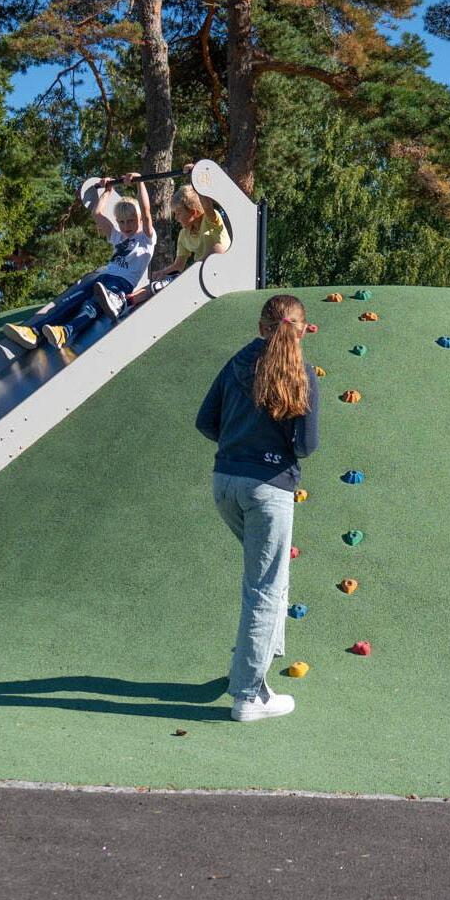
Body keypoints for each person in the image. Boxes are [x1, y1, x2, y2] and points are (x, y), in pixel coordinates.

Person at [196, 294, 320, 721]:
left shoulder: (237, 361)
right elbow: (306, 445)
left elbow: (205, 421)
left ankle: (255, 659)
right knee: (264, 587)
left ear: (261, 326)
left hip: (226, 483)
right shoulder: (301, 372)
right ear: (301, 330)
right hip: (269, 489)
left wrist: (240, 445)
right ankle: (249, 696)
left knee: (268, 577)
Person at [3, 173, 157, 355]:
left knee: (92, 305)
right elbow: (97, 214)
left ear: (139, 220)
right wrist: (107, 191)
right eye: (122, 222)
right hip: (104, 277)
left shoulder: (146, 238)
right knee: (70, 301)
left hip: (121, 284)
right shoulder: (117, 236)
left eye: (131, 221)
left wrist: (139, 182)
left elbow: (146, 212)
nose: (126, 226)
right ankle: (33, 332)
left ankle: (65, 332)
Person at [125, 171, 232, 305]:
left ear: (193, 212)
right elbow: (179, 265)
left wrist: (196, 176)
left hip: (223, 268)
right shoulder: (183, 235)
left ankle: (168, 284)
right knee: (163, 280)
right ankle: (128, 300)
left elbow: (207, 205)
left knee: (217, 249)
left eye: (178, 213)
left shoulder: (210, 220)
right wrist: (162, 272)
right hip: (200, 275)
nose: (176, 218)